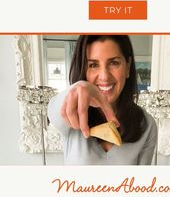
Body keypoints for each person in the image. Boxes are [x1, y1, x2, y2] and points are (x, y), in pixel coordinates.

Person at [48, 35, 157, 165]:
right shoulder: (71, 113)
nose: (104, 77)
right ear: (83, 69)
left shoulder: (146, 124)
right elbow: (53, 112)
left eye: (114, 63)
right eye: (93, 65)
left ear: (127, 67)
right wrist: (78, 88)